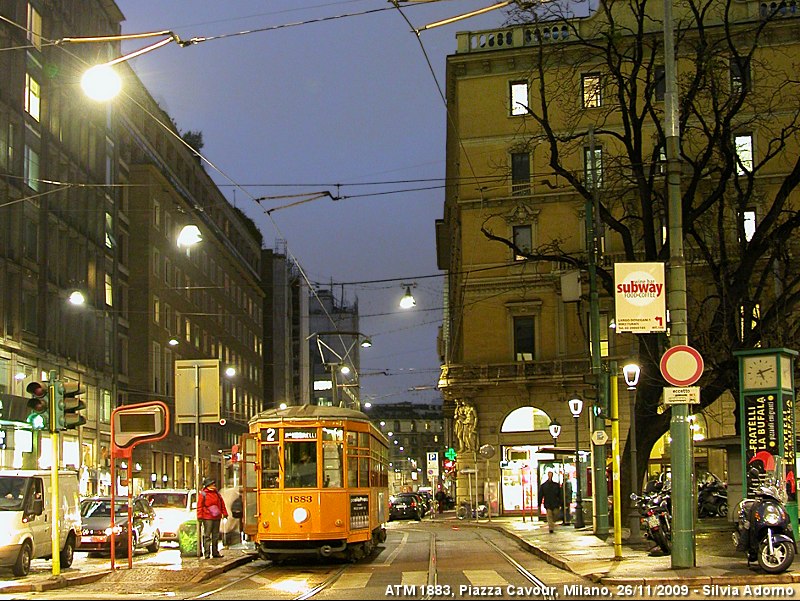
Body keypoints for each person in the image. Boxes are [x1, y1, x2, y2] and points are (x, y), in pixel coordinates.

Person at [197, 477, 228, 558]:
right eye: (212, 484)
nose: (214, 485)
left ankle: (215, 552)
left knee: (215, 536)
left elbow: (222, 504)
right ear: (208, 486)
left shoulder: (217, 494)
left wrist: (225, 513)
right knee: (207, 535)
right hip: (207, 518)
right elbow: (199, 506)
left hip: (216, 517)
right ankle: (207, 553)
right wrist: (200, 516)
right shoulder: (203, 494)